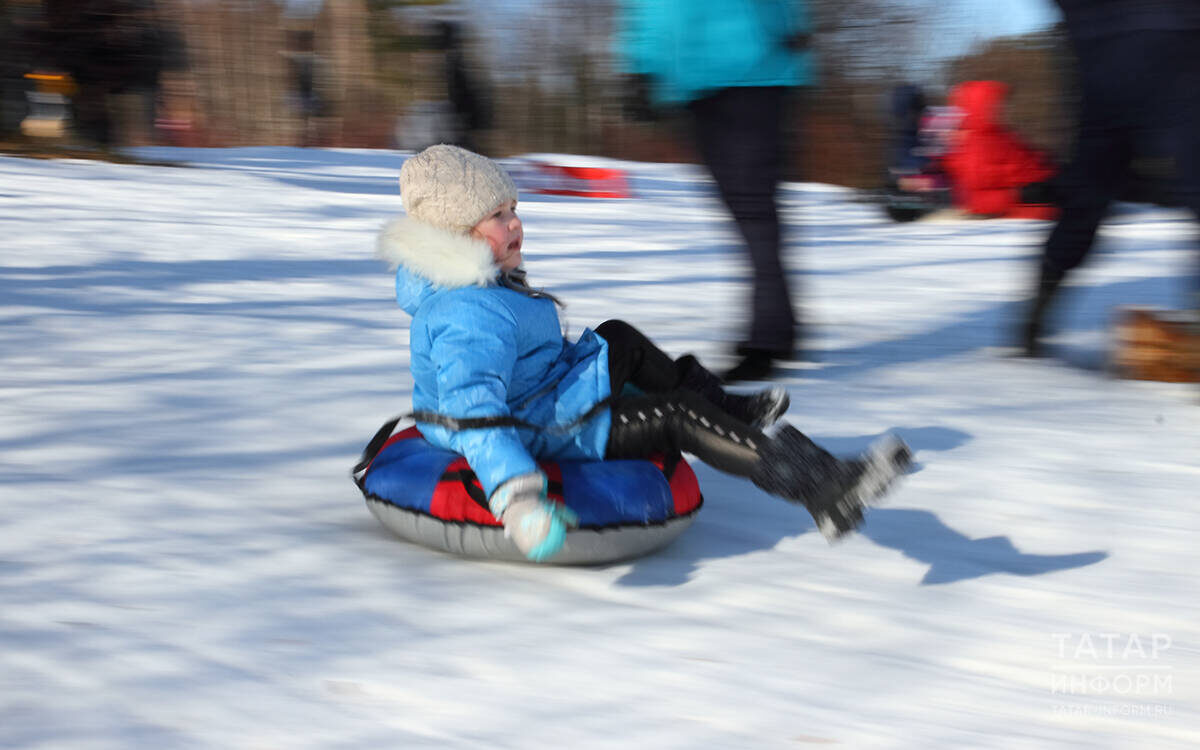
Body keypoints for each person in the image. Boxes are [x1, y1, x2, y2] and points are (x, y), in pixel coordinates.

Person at [375, 145, 911, 562]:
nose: (516, 222)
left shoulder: (482, 286)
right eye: (498, 214)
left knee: (618, 337)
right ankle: (822, 489)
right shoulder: (467, 314)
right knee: (675, 416)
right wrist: (517, 498)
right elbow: (475, 411)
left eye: (514, 208)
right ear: (456, 233)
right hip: (535, 426)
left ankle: (730, 410)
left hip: (546, 394)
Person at [616, 0, 813, 382]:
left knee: (753, 208)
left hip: (753, 71)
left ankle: (769, 336)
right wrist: (642, 65)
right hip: (704, 76)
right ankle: (778, 328)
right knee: (748, 209)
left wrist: (641, 66)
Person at [1019, 0, 1200, 356]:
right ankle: (1032, 324)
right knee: (1083, 203)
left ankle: (1033, 322)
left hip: (1166, 69)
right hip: (1109, 81)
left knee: (1086, 201)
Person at [941, 80, 1058, 220]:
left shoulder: (999, 134)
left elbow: (1025, 158)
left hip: (1027, 190)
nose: (1003, 109)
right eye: (996, 105)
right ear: (981, 108)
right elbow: (979, 179)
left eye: (1002, 104)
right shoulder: (975, 141)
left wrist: (1045, 163)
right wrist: (1022, 186)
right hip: (1003, 201)